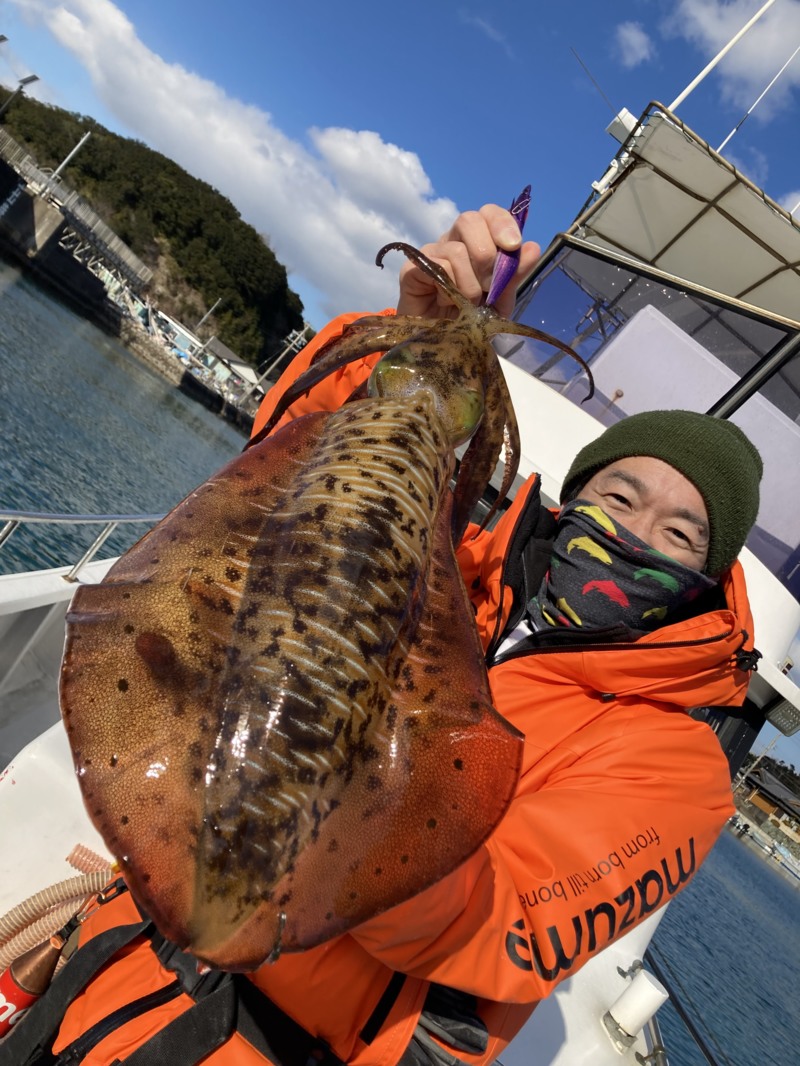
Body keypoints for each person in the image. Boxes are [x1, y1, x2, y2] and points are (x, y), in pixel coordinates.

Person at [3, 206, 763, 1066]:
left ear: (709, 578)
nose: (631, 536)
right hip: (127, 959)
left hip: (286, 1045)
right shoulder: (458, 573)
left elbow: (508, 920)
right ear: (572, 506)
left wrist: (329, 769)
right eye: (619, 499)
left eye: (678, 534)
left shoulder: (679, 768)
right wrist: (402, 341)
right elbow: (284, 478)